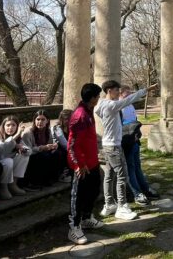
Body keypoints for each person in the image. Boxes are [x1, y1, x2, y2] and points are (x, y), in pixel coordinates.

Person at [96, 80, 158, 221]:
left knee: (109, 175)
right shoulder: (112, 105)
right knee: (122, 176)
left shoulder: (101, 105)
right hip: (114, 146)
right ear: (109, 91)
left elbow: (98, 112)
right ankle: (122, 207)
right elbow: (130, 99)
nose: (119, 93)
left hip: (107, 144)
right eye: (117, 90)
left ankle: (109, 203)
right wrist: (146, 89)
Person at [67, 83, 106, 245]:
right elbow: (73, 145)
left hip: (92, 163)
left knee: (93, 191)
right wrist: (78, 165)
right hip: (82, 166)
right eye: (98, 96)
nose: (99, 98)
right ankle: (74, 228)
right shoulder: (80, 116)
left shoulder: (88, 112)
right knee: (78, 197)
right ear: (92, 98)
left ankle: (86, 218)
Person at [119, 87, 159, 206]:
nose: (130, 95)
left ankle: (145, 189)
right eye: (128, 93)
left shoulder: (130, 106)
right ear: (121, 94)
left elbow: (134, 121)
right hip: (126, 142)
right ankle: (137, 193)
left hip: (135, 141)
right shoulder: (119, 107)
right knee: (131, 167)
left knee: (137, 166)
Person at [21, 110, 63, 188]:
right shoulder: (28, 133)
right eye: (38, 119)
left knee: (58, 153)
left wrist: (53, 146)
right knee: (44, 156)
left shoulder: (48, 130)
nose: (40, 122)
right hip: (31, 157)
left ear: (47, 121)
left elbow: (49, 144)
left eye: (43, 119)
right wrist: (41, 148)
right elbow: (28, 150)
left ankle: (53, 177)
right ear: (34, 120)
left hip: (43, 153)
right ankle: (37, 181)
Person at [0, 116, 31, 195]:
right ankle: (3, 187)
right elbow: (2, 149)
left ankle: (13, 184)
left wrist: (22, 148)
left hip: (10, 165)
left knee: (24, 156)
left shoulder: (18, 139)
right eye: (8, 125)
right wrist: (16, 135)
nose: (10, 127)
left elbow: (29, 151)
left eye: (13, 125)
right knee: (8, 161)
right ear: (3, 126)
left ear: (17, 127)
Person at [51, 109, 74, 183]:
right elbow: (64, 143)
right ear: (62, 119)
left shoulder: (71, 128)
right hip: (58, 149)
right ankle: (63, 174)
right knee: (64, 153)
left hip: (67, 148)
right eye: (67, 119)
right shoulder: (57, 128)